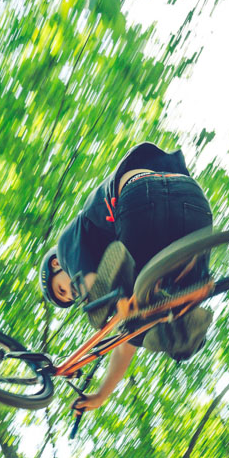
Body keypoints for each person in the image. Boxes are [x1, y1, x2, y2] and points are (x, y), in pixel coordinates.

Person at [38, 140, 213, 410]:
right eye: (69, 298)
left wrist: (104, 301)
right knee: (140, 330)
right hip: (194, 205)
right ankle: (184, 322)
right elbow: (124, 347)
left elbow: (81, 265)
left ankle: (109, 297)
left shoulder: (71, 243)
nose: (71, 294)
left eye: (63, 289)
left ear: (54, 266)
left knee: (103, 302)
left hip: (141, 197)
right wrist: (101, 395)